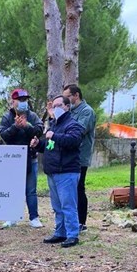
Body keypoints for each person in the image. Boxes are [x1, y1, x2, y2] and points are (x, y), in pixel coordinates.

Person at [31, 95, 84, 248]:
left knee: (68, 205)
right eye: (54, 106)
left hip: (67, 171)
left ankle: (72, 234)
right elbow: (51, 146)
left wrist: (55, 136)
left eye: (59, 105)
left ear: (67, 107)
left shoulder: (73, 124)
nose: (55, 109)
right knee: (57, 206)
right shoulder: (54, 124)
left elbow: (73, 141)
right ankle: (60, 232)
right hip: (53, 171)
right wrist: (38, 144)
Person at [0, 88, 44, 228]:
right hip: (12, 160)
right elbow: (3, 135)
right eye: (20, 100)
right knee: (12, 189)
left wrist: (26, 126)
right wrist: (15, 127)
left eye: (25, 100)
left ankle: (34, 217)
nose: (23, 102)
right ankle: (11, 217)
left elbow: (39, 130)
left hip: (30, 158)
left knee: (31, 190)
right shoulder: (7, 117)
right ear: (13, 101)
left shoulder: (32, 116)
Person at [63, 85, 96, 232]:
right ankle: (71, 220)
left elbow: (78, 131)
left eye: (68, 96)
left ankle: (81, 222)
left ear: (76, 96)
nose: (66, 100)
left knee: (79, 188)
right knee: (70, 189)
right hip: (68, 156)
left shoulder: (86, 112)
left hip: (80, 156)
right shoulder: (70, 111)